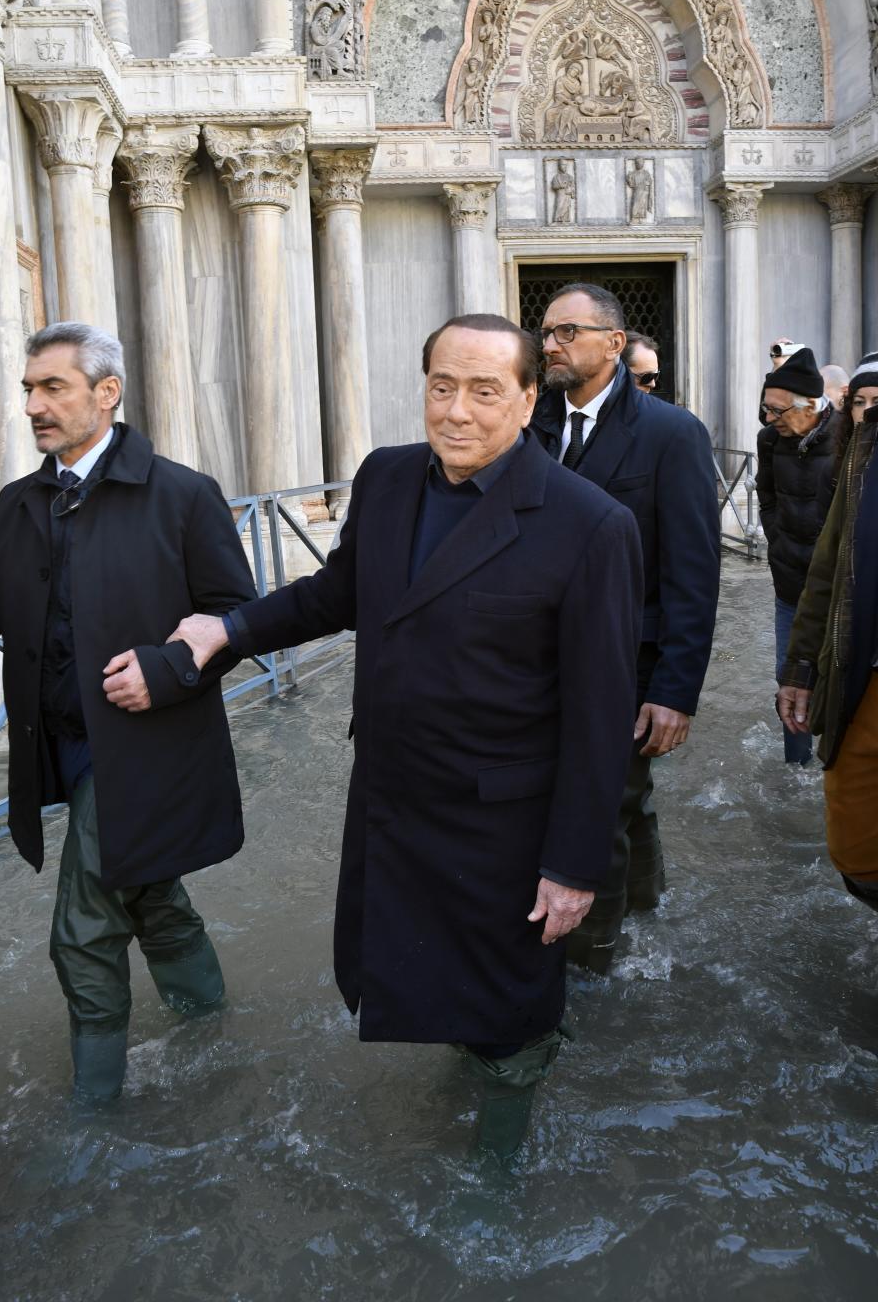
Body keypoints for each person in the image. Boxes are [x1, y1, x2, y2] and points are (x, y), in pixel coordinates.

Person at [156, 314, 643, 1159]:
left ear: (529, 401)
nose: (456, 410)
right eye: (441, 386)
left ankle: (497, 1165)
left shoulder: (589, 525)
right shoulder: (385, 479)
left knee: (510, 1004)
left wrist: (574, 867)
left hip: (505, 824)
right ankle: (472, 1066)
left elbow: (601, 720)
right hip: (392, 795)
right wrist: (229, 629)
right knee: (422, 970)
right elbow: (335, 592)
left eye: (485, 391)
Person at [0, 323, 256, 1101]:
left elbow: (238, 617)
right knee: (149, 891)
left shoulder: (183, 494)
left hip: (148, 747)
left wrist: (167, 669)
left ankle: (94, 1116)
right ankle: (213, 1033)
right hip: (61, 746)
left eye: (53, 388)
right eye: (29, 389)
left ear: (107, 394)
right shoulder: (21, 502)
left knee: (83, 927)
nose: (34, 405)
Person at [529, 283, 720, 973]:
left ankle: (591, 963)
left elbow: (695, 574)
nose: (550, 344)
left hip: (629, 661)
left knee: (597, 809)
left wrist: (676, 690)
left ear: (614, 342)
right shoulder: (532, 422)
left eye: (566, 332)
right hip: (540, 661)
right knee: (623, 798)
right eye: (546, 332)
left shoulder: (672, 433)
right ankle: (647, 898)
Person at [778, 354, 878, 913]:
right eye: (860, 403)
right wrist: (800, 669)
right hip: (859, 673)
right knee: (857, 855)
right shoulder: (860, 460)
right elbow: (828, 569)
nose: (867, 414)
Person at [756, 346, 840, 765]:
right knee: (788, 676)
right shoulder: (769, 439)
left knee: (840, 675)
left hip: (841, 586)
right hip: (789, 582)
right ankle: (797, 766)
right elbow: (766, 497)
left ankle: (838, 760)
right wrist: (778, 541)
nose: (770, 420)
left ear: (810, 406)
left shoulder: (848, 436)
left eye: (779, 412)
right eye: (766, 410)